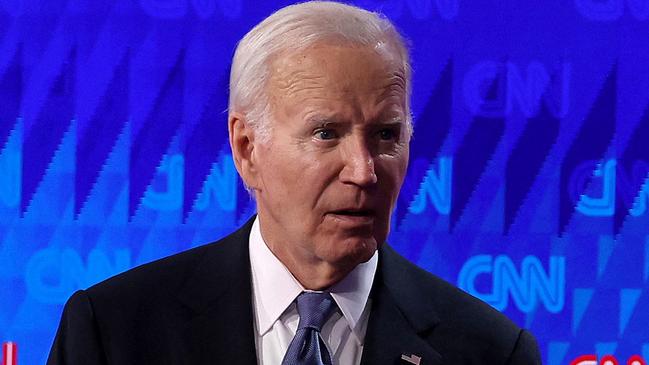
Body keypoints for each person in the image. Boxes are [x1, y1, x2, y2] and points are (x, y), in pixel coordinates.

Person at [47, 2, 542, 364]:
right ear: (247, 149)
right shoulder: (113, 333)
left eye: (386, 135)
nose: (364, 171)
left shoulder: (491, 353)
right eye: (326, 133)